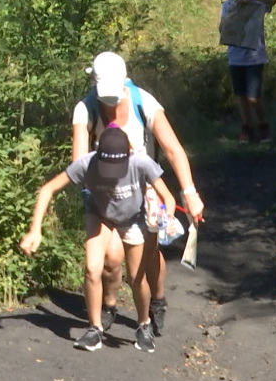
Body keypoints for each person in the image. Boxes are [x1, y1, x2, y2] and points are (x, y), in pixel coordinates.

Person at [71, 51, 204, 340]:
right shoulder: (85, 109)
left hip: (146, 186)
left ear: (124, 82)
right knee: (111, 257)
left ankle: (157, 299)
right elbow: (78, 160)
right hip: (107, 190)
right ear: (93, 83)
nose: (108, 100)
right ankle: (109, 304)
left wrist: (189, 192)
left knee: (148, 253)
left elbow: (172, 149)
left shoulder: (144, 101)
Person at [20, 127, 178, 353]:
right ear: (98, 156)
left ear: (129, 155)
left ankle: (143, 324)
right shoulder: (86, 163)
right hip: (100, 216)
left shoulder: (141, 163)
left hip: (133, 218)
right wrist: (35, 230)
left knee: (136, 277)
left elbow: (168, 198)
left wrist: (166, 216)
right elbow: (48, 189)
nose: (113, 173)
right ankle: (95, 329)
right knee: (92, 268)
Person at [220, 0, 276, 143]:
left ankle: (263, 125)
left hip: (255, 57)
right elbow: (222, 28)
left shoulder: (259, 4)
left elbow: (272, 0)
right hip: (236, 56)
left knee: (254, 96)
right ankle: (246, 127)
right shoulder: (228, 5)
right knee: (240, 95)